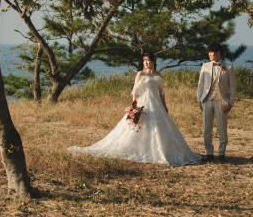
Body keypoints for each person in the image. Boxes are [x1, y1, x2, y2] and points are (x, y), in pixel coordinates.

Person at [69, 53, 201, 166]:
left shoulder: (158, 74)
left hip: (157, 103)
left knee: (160, 126)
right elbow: (135, 90)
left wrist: (165, 105)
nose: (146, 63)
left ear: (153, 61)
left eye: (148, 60)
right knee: (140, 125)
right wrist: (135, 105)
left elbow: (161, 91)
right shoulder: (140, 73)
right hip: (144, 102)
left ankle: (159, 150)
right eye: (144, 61)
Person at [196, 42, 237, 163]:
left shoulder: (229, 68)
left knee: (222, 128)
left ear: (218, 53)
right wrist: (199, 99)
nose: (209, 54)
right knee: (207, 128)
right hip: (206, 100)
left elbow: (233, 87)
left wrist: (231, 102)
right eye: (208, 52)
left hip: (221, 101)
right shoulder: (205, 66)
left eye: (211, 52)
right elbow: (200, 85)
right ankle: (209, 153)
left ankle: (222, 153)